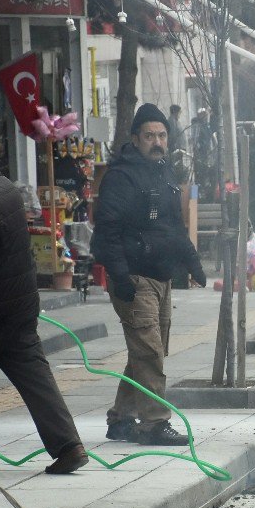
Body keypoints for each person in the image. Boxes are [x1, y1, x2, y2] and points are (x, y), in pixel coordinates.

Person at [90, 104, 206, 446]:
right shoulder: (121, 177)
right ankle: (154, 423)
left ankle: (122, 418)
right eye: (149, 135)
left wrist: (193, 263)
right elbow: (106, 233)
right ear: (135, 139)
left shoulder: (165, 174)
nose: (156, 141)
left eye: (161, 135)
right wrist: (121, 276)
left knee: (146, 353)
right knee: (150, 353)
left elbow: (173, 227)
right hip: (135, 278)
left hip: (162, 277)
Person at [0, 137, 89, 473]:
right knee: (35, 377)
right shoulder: (5, 188)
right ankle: (69, 446)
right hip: (19, 305)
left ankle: (70, 447)